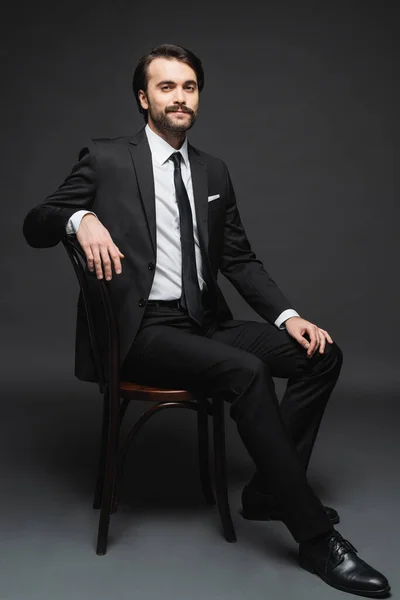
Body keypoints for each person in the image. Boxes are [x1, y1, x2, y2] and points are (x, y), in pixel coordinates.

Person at [22, 43, 390, 597]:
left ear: (198, 97)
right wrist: (80, 218)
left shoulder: (212, 169)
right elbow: (36, 221)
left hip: (204, 321)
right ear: (143, 98)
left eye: (188, 87)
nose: (179, 98)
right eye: (166, 87)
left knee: (321, 355)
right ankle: (316, 540)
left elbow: (239, 258)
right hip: (142, 331)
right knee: (245, 373)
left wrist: (288, 316)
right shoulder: (106, 158)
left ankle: (269, 490)